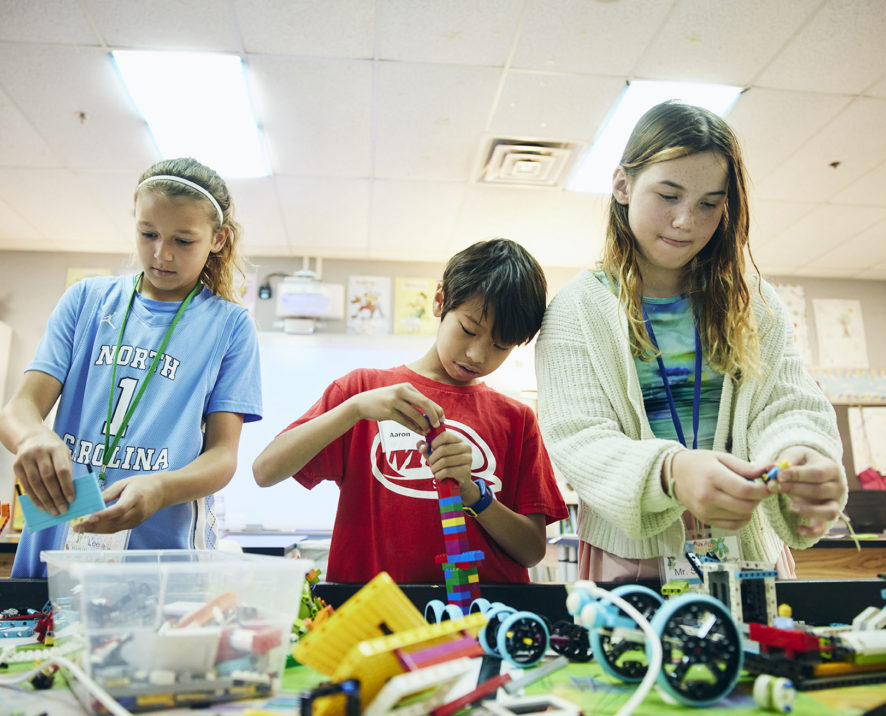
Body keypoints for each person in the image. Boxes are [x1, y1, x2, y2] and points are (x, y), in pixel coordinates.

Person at [535, 101, 847, 582]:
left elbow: (787, 403)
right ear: (622, 185)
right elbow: (579, 439)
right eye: (669, 194)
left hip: (748, 555)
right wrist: (672, 471)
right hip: (632, 562)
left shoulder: (754, 302)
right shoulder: (577, 308)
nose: (686, 220)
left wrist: (799, 451)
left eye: (709, 203)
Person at [0, 157, 262, 577]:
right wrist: (32, 438)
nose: (162, 254)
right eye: (148, 234)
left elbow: (221, 456)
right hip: (59, 535)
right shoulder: (85, 299)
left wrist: (160, 488)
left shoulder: (230, 326)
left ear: (218, 239)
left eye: (183, 240)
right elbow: (18, 409)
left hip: (160, 557)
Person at [253, 239, 568, 583]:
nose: (478, 355)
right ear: (439, 301)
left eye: (499, 346)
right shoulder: (363, 391)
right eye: (468, 330)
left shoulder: (516, 419)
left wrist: (473, 493)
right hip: (370, 617)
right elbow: (265, 471)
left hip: (480, 620)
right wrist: (354, 409)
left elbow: (532, 550)